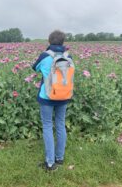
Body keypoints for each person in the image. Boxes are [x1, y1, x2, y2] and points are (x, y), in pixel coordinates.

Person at [32, 30, 73, 171]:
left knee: (48, 126)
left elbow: (34, 68)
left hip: (47, 97)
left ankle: (50, 163)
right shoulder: (69, 57)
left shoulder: (45, 56)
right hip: (64, 96)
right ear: (63, 42)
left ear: (49, 42)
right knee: (60, 124)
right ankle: (59, 158)